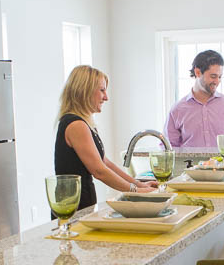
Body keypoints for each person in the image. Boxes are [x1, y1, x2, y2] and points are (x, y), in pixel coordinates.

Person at [54, 66, 156, 215]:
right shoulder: (76, 125)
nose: (106, 97)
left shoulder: (85, 123)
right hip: (73, 206)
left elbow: (104, 162)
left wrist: (137, 184)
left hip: (81, 202)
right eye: (102, 90)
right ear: (84, 90)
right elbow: (99, 171)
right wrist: (136, 191)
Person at [164, 49, 224, 151]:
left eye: (220, 77)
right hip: (189, 162)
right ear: (198, 72)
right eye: (213, 76)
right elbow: (168, 147)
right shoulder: (178, 109)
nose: (217, 81)